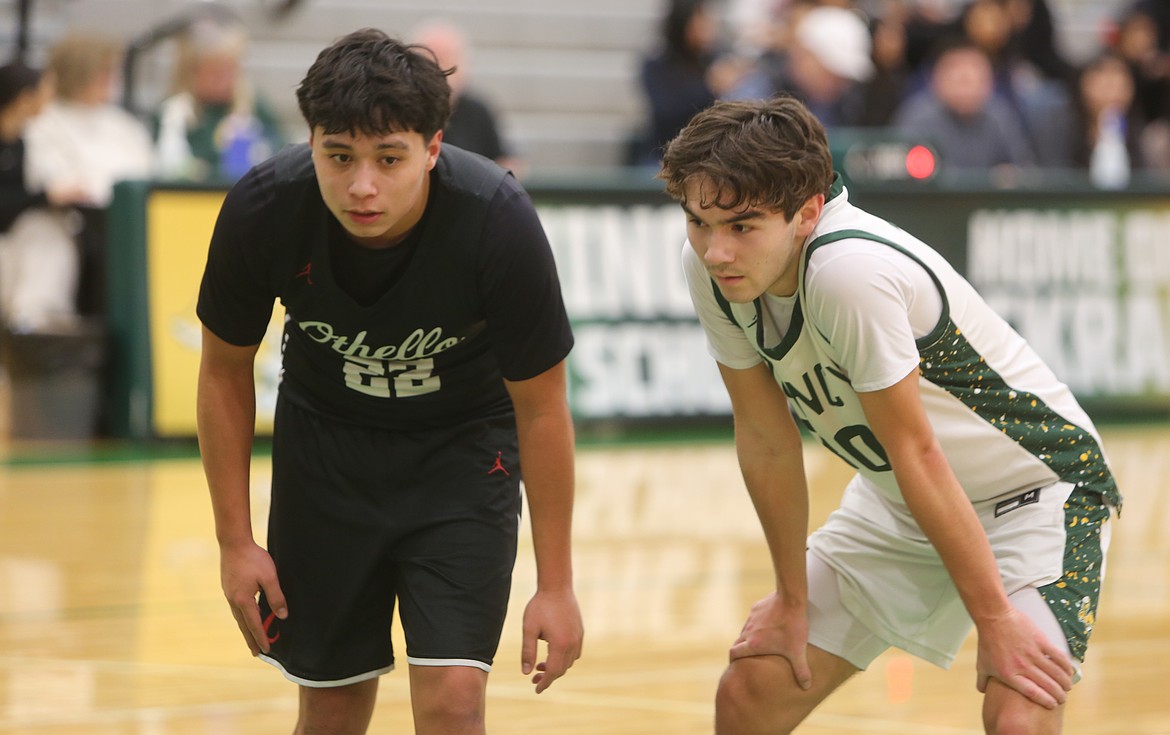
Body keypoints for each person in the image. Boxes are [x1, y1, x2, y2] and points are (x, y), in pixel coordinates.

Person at [659, 95, 1120, 734]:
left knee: (1019, 712)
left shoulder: (850, 270)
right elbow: (765, 438)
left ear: (807, 212)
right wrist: (792, 599)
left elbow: (917, 451)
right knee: (752, 691)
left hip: (1037, 490)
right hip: (904, 499)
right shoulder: (712, 270)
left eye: (741, 226)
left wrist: (995, 622)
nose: (715, 252)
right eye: (698, 223)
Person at [196, 28, 582, 735]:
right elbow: (223, 371)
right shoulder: (264, 208)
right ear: (310, 141)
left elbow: (544, 407)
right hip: (326, 456)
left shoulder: (497, 219)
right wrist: (234, 541)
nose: (362, 185)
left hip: (462, 454)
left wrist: (555, 584)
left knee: (453, 702)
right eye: (338, 156)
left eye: (390, 158)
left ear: (433, 148)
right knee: (332, 703)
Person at [23, 33, 154, 318]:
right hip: (79, 222)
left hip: (132, 220)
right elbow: (49, 178)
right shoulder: (44, 121)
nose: (111, 80)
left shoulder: (125, 126)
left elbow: (147, 175)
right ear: (78, 72)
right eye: (104, 72)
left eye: (112, 72)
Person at [0, 62, 92, 330]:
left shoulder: (23, 142)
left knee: (51, 230)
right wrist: (45, 197)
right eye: (45, 93)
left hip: (14, 232)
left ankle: (34, 319)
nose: (49, 101)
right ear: (25, 98)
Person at [153, 16, 285, 183]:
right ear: (191, 72)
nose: (224, 81)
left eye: (230, 72)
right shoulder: (174, 112)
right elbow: (164, 164)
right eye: (215, 73)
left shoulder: (253, 106)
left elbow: (280, 147)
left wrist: (257, 147)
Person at [892, 39, 1037, 175]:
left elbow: (1024, 166)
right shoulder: (917, 115)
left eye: (973, 77)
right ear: (936, 79)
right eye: (958, 78)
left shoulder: (1000, 115)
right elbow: (898, 169)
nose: (965, 86)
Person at [409, 19, 524, 175]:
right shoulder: (405, 111)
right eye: (430, 58)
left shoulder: (478, 110)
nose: (440, 69)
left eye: (446, 58)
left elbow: (505, 161)